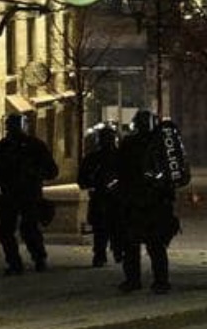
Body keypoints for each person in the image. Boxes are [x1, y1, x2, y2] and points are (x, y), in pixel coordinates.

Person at [112, 110, 185, 293]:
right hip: (155, 202)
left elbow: (120, 170)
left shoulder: (131, 143)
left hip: (138, 201)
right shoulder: (161, 143)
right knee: (154, 245)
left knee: (134, 245)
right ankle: (159, 281)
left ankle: (135, 280)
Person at [0, 112, 57, 275]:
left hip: (28, 194)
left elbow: (51, 171)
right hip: (11, 195)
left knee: (28, 228)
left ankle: (37, 259)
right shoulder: (3, 147)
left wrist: (33, 172)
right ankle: (18, 262)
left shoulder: (34, 146)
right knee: (9, 231)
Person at [76, 121, 122, 269]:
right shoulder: (94, 159)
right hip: (102, 197)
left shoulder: (120, 157)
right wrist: (96, 184)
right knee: (103, 228)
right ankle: (103, 254)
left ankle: (114, 252)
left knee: (114, 227)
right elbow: (82, 180)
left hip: (116, 198)